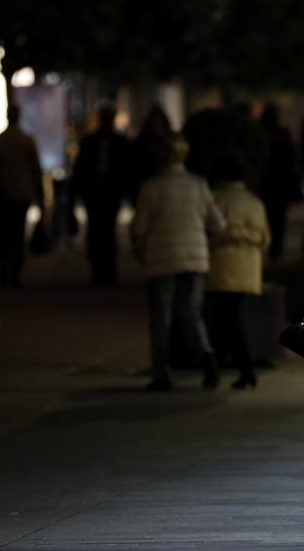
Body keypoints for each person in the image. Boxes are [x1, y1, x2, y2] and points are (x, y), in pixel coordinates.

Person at [130, 133, 227, 391]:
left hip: (160, 260)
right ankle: (207, 358)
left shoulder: (151, 186)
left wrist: (141, 253)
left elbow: (139, 228)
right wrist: (207, 248)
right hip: (194, 259)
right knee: (191, 314)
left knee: (161, 318)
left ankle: (161, 373)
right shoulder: (198, 185)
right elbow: (218, 225)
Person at [205, 152, 271, 390]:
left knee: (225, 319)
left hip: (219, 267)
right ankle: (234, 368)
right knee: (228, 318)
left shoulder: (214, 199)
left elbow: (210, 232)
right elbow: (264, 238)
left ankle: (239, 368)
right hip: (247, 269)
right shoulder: (253, 202)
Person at [72, 101, 131, 285]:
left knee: (107, 230)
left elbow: (126, 169)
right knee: (97, 230)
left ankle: (107, 269)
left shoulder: (119, 142)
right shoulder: (91, 141)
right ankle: (99, 268)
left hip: (111, 192)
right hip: (94, 193)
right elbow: (81, 168)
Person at [0, 105, 44, 287]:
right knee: (17, 233)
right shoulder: (26, 141)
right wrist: (39, 193)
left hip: (3, 194)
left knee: (3, 231)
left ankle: (3, 266)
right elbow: (35, 169)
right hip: (22, 194)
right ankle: (15, 270)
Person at [257, 103, 302, 263]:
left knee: (268, 216)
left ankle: (269, 249)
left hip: (267, 183)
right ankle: (275, 250)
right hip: (281, 183)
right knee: (279, 218)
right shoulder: (282, 134)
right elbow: (292, 159)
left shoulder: (261, 133)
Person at [128, 103, 173, 205]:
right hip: (145, 185)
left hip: (164, 186)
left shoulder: (169, 140)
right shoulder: (141, 142)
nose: (156, 123)